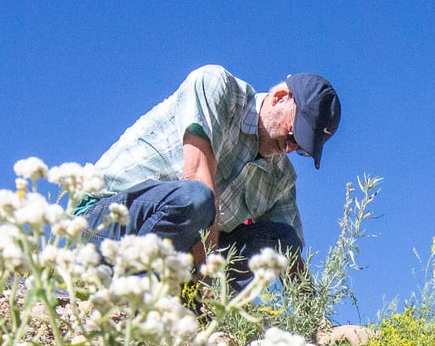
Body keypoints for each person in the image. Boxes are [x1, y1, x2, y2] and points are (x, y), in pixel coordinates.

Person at [81, 66, 340, 281]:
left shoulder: (280, 178)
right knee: (197, 198)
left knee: (284, 239)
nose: (291, 147)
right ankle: (131, 292)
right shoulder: (217, 87)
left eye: (303, 147)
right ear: (280, 97)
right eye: (295, 133)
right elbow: (197, 176)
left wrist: (317, 322)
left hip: (181, 255)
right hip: (108, 221)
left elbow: (291, 257)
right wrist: (209, 284)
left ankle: (186, 298)